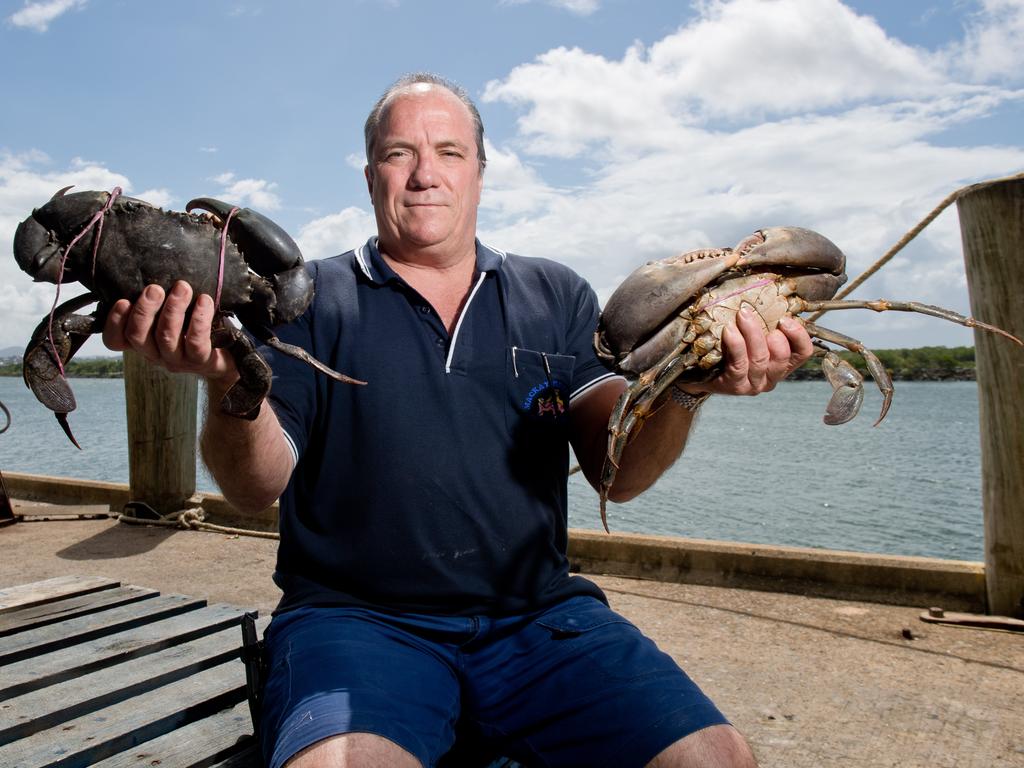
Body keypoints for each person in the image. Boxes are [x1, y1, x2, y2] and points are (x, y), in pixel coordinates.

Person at [103, 73, 813, 768]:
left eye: (448, 152)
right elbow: (256, 485)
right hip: (356, 622)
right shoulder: (306, 298)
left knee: (715, 755)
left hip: (539, 619)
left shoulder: (556, 293)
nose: (424, 175)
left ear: (480, 171)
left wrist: (687, 388)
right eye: (398, 153)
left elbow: (617, 475)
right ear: (369, 173)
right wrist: (230, 381)